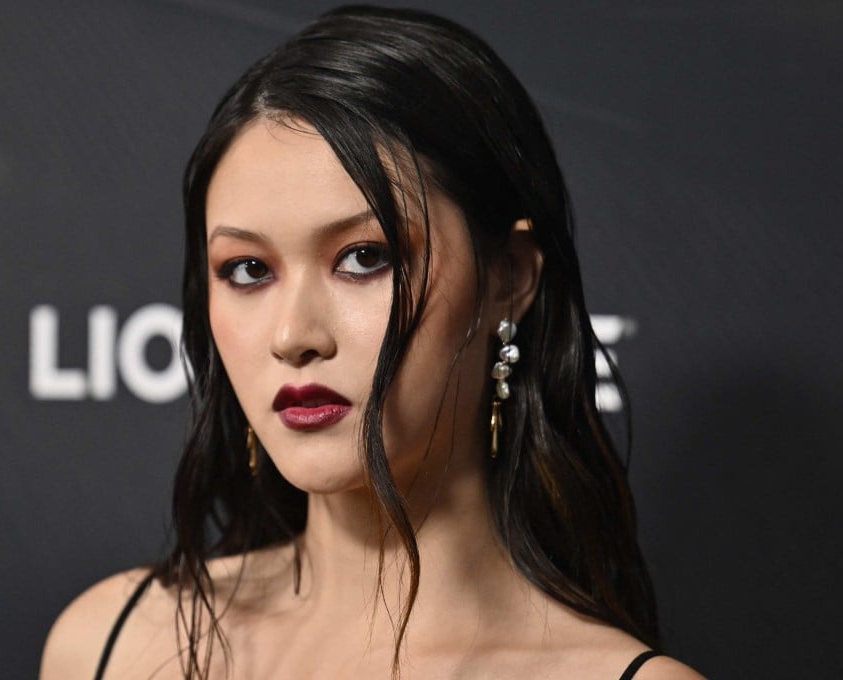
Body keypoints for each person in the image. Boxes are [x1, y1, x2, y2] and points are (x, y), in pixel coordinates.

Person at [41, 6, 702, 679]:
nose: (294, 335)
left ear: (508, 276)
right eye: (249, 270)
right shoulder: (110, 646)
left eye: (364, 258)